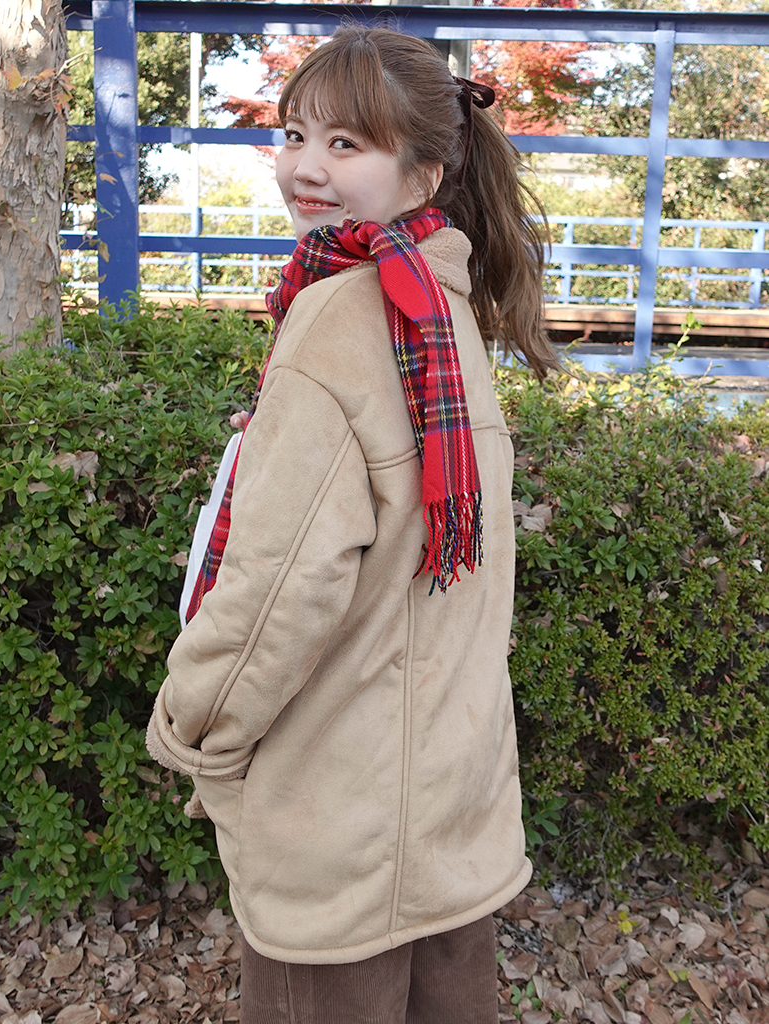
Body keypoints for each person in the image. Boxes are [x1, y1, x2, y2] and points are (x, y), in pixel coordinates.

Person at [147, 23, 559, 1024]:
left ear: (424, 172)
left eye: (346, 143)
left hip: (337, 819)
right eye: (295, 135)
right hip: (448, 810)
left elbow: (278, 591)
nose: (305, 167)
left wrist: (192, 730)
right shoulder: (441, 312)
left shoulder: (340, 316)